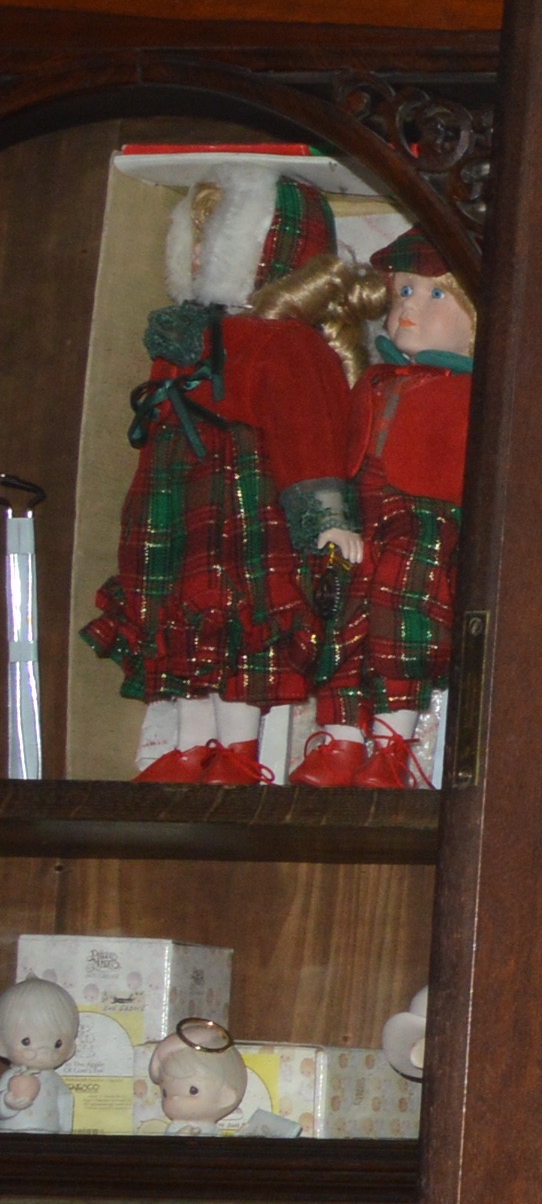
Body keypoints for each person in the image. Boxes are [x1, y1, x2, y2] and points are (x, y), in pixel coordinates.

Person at [81, 174, 362, 783]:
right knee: (176, 618)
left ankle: (236, 750)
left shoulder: (285, 343)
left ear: (268, 251)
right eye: (197, 240)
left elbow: (308, 433)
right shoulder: (179, 338)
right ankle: (190, 745)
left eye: (219, 240)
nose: (201, 254)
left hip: (242, 498)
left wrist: (326, 516)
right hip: (174, 496)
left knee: (238, 621)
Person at [298, 232, 474, 791]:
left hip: (427, 521)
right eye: (403, 292)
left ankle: (392, 748)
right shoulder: (373, 381)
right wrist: (332, 515)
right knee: (341, 621)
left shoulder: (476, 392)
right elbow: (339, 449)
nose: (409, 307)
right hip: (362, 515)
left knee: (402, 627)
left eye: (435, 295)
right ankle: (341, 742)